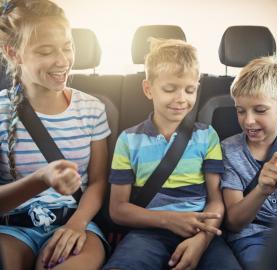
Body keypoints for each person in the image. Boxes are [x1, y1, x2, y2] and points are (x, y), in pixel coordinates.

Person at [103, 38, 241, 270]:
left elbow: (216, 201)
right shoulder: (129, 140)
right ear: (148, 89)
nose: (181, 99)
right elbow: (118, 210)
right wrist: (169, 220)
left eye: (190, 90)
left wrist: (201, 240)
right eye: (170, 89)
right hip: (148, 233)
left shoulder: (207, 136)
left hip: (201, 229)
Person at [0, 0, 111, 269]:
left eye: (67, 47)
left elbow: (97, 183)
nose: (63, 61)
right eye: (46, 51)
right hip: (12, 228)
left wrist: (76, 225)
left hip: (76, 221)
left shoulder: (91, 109)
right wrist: (41, 178)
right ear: (13, 53)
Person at [221, 56, 277, 270]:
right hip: (253, 236)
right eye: (240, 110)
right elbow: (234, 222)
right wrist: (262, 189)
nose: (248, 121)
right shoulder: (229, 152)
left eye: (260, 110)